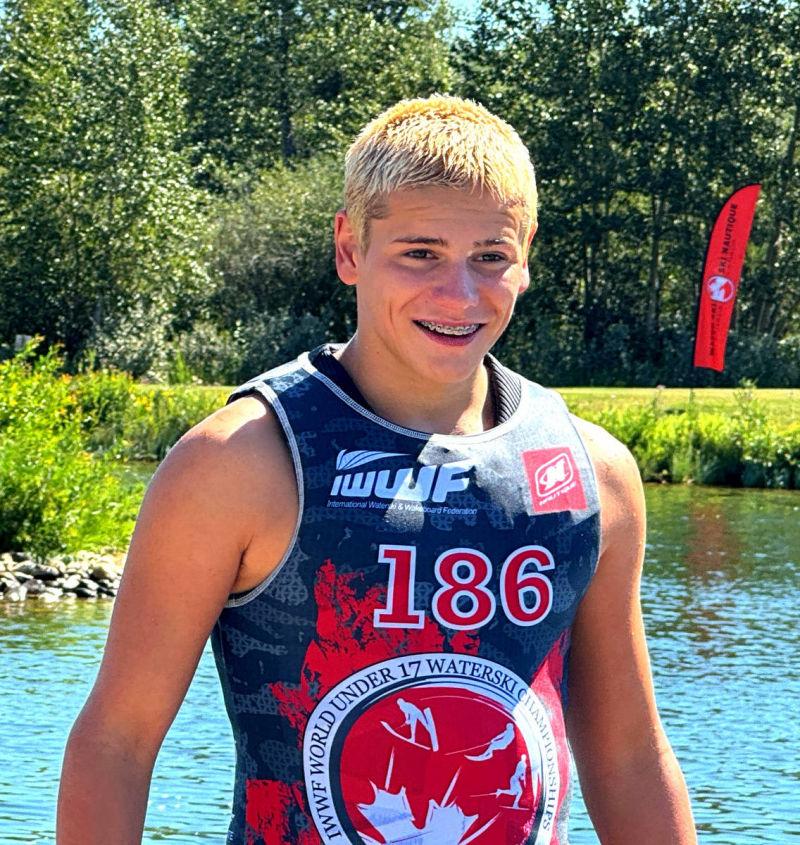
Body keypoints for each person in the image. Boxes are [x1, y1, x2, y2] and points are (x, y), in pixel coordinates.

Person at [57, 95, 697, 844]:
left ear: (525, 256)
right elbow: (117, 742)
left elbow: (628, 759)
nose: (459, 293)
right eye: (420, 253)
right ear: (349, 249)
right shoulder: (240, 461)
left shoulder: (592, 473)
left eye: (490, 256)